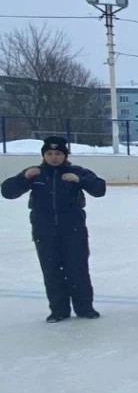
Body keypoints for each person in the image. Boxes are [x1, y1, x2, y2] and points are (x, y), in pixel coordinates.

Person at [2, 135, 106, 321]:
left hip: (73, 228)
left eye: (58, 153)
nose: (54, 157)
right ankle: (59, 310)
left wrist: (79, 180)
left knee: (77, 268)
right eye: (49, 153)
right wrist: (23, 177)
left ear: (65, 155)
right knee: (51, 270)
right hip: (44, 229)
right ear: (44, 155)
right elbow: (8, 191)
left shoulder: (77, 171)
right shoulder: (35, 173)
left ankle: (85, 308)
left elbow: (100, 189)